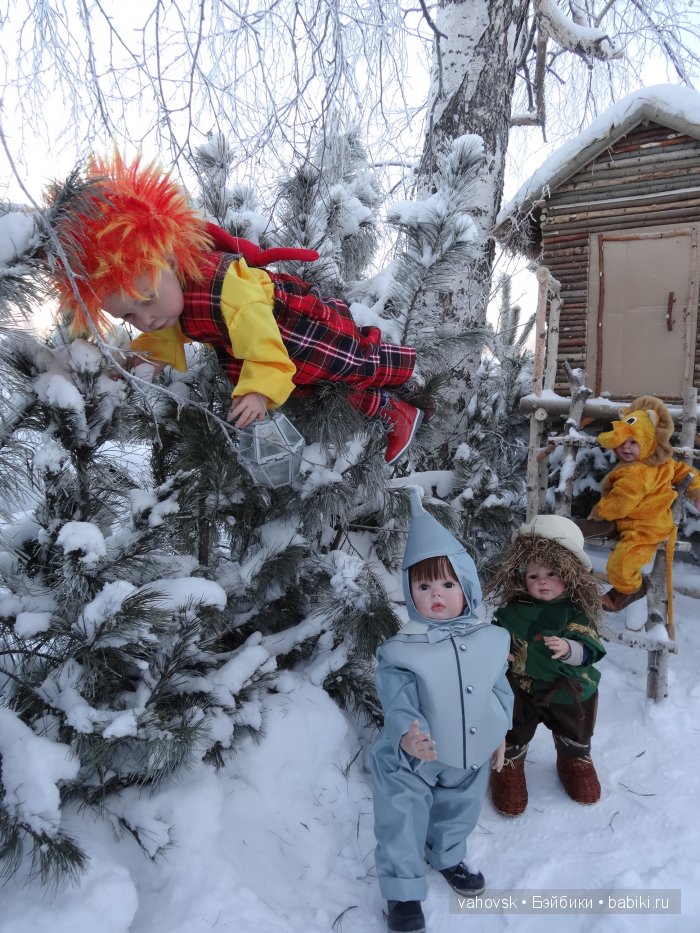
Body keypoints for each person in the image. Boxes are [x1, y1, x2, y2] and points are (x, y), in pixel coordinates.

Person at [47, 153, 425, 465]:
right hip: (276, 351)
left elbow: (262, 338)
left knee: (350, 362)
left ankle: (407, 370)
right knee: (318, 387)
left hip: (298, 330)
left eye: (146, 300)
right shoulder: (169, 304)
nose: (145, 318)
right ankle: (397, 413)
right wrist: (137, 363)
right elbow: (161, 335)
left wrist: (260, 390)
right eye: (128, 316)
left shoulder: (225, 286)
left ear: (172, 259)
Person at [370, 487, 512, 933]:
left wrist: (498, 732)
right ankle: (403, 892)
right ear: (410, 592)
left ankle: (447, 856)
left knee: (459, 810)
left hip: (466, 755)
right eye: (424, 585)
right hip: (413, 758)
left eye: (448, 584)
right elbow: (399, 701)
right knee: (402, 818)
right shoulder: (401, 652)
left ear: (466, 586)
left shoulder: (493, 640)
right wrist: (408, 735)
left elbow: (499, 692)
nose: (436, 594)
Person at [485, 515, 605, 817]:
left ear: (570, 575)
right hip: (523, 687)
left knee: (575, 725)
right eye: (534, 575)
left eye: (552, 573)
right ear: (521, 577)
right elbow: (497, 638)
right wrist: (499, 654)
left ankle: (573, 758)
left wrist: (569, 649)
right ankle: (509, 760)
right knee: (513, 722)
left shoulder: (574, 613)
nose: (543, 582)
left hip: (569, 689)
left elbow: (588, 648)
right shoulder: (512, 612)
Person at [588, 396, 700, 612]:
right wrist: (697, 487)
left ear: (648, 441)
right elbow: (685, 471)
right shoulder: (661, 463)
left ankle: (630, 590)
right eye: (622, 443)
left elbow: (622, 503)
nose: (626, 448)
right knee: (617, 548)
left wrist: (600, 511)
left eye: (633, 443)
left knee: (621, 563)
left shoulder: (635, 472)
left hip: (645, 528)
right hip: (637, 522)